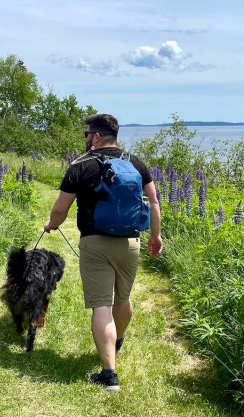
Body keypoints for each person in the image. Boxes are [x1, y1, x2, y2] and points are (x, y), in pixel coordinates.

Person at [44, 113, 162, 392]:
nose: (85, 139)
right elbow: (154, 202)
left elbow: (61, 209)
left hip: (95, 244)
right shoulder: (134, 162)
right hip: (130, 243)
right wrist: (155, 236)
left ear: (96, 137)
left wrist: (52, 225)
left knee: (101, 305)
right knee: (122, 299)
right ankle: (116, 340)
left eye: (86, 135)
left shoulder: (80, 165)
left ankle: (109, 375)